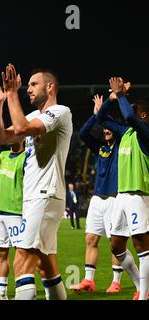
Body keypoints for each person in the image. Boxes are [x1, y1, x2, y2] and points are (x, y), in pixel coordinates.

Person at [0, 64, 72, 300]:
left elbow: (22, 128)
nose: (28, 89)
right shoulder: (33, 115)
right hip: (35, 197)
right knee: (46, 267)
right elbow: (0, 137)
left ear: (51, 86)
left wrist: (12, 94)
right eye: (27, 86)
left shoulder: (60, 111)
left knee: (22, 259)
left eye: (33, 84)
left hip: (45, 194)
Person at [70, 92, 139, 293]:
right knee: (91, 239)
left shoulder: (122, 145)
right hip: (97, 199)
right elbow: (83, 133)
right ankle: (89, 281)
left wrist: (107, 109)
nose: (107, 131)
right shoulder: (99, 146)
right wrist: (95, 114)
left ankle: (116, 281)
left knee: (114, 242)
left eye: (110, 129)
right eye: (105, 129)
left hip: (114, 199)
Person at [102, 77, 149, 300]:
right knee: (116, 244)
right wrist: (111, 99)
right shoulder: (124, 132)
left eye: (133, 108)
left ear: (143, 115)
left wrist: (121, 94)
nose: (126, 111)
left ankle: (144, 295)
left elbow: (129, 114)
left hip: (139, 194)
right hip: (122, 195)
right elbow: (100, 118)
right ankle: (140, 285)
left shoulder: (145, 133)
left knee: (141, 243)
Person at [0, 140, 26, 300]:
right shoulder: (1, 156)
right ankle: (1, 293)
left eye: (15, 133)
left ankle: (22, 292)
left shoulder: (27, 157)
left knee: (21, 253)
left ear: (22, 137)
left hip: (16, 211)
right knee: (0, 253)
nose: (10, 137)